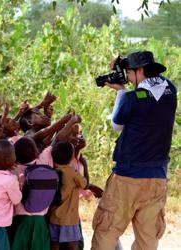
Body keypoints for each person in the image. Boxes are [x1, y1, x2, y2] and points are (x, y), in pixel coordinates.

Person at [91, 51, 177, 250]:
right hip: (157, 179)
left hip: (127, 179)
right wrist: (127, 67)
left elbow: (116, 125)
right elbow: (157, 84)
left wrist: (120, 91)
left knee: (107, 230)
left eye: (130, 73)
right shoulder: (170, 91)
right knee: (148, 238)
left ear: (140, 70)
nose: (128, 79)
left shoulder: (131, 98)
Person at [49, 141, 88, 250]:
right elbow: (84, 184)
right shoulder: (71, 172)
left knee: (54, 245)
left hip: (54, 218)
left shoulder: (52, 171)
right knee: (72, 246)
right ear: (71, 157)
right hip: (69, 219)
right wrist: (84, 165)